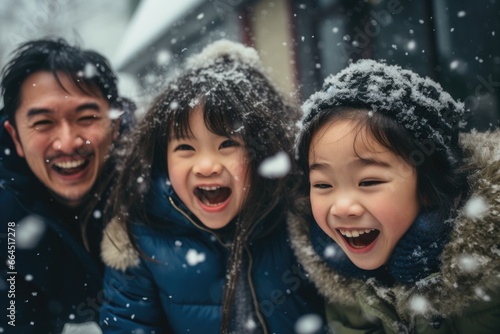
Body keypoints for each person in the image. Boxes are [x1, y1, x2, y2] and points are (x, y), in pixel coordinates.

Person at [99, 39, 326, 334]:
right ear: (162, 157)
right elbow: (126, 325)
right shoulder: (143, 236)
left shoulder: (298, 217)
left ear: (262, 151)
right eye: (185, 148)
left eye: (227, 143)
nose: (206, 166)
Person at [288, 59, 500, 333]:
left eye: (369, 181)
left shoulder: (490, 282)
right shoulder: (340, 278)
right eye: (323, 185)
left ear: (430, 186)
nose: (342, 207)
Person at [0, 38, 135, 333]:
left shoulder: (159, 186)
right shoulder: (5, 221)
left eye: (86, 118)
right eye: (43, 123)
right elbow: (13, 320)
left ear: (115, 124)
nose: (67, 143)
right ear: (14, 137)